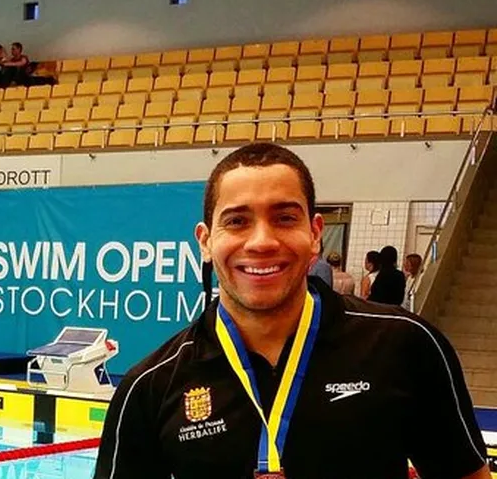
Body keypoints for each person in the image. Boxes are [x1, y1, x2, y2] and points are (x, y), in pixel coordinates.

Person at [94, 143, 489, 479]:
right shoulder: (151, 385)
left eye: (285, 218)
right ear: (206, 241)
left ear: (315, 233)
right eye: (237, 221)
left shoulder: (405, 345)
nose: (262, 241)